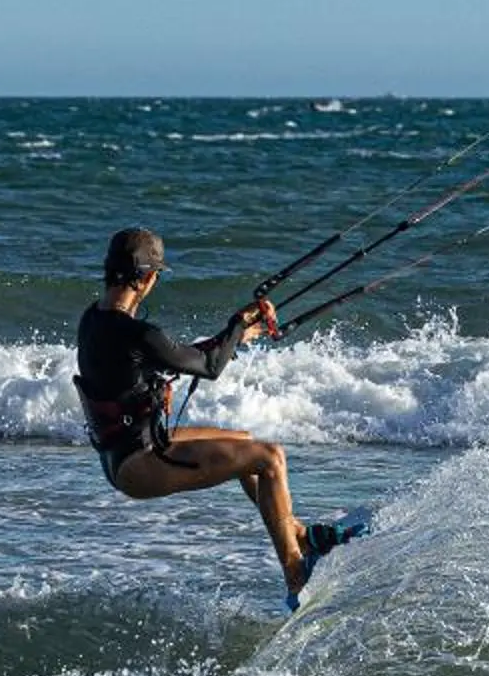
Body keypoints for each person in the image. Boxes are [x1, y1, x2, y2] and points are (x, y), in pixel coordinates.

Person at [74, 228, 344, 604]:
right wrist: (237, 324)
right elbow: (209, 367)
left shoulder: (93, 320)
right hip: (140, 462)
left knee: (244, 445)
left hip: (131, 448)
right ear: (149, 278)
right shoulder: (137, 333)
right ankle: (295, 573)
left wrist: (237, 334)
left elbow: (182, 356)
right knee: (270, 458)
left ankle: (295, 533)